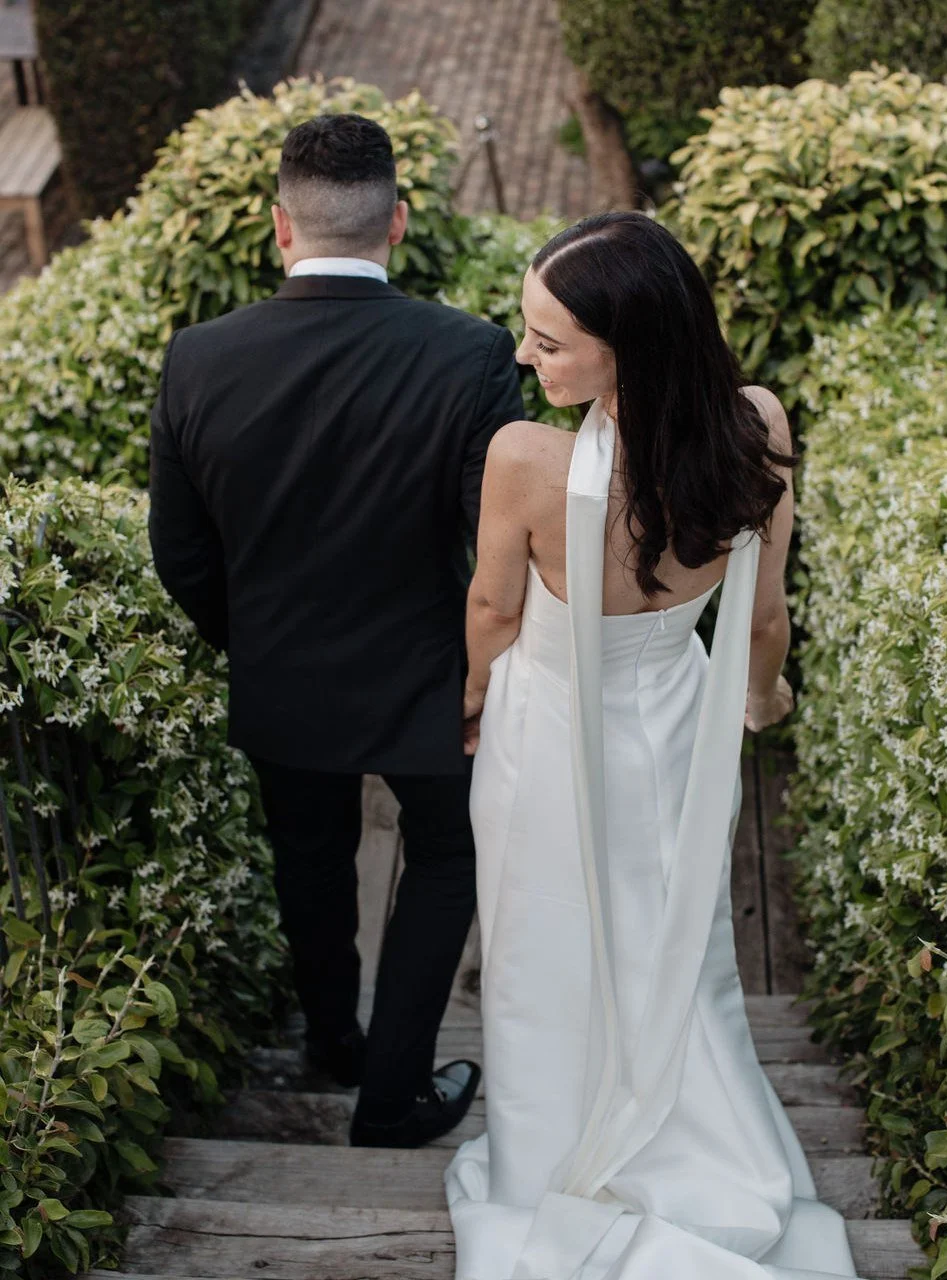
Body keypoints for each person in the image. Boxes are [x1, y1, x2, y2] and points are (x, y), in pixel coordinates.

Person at [446, 213, 861, 1279]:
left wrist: (473, 696)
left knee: (545, 937)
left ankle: (551, 1151)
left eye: (548, 340)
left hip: (548, 725)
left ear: (626, 345)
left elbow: (492, 607)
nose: (521, 354)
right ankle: (690, 1125)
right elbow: (762, 620)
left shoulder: (525, 457)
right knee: (672, 931)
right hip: (678, 722)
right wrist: (757, 705)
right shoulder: (756, 426)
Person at [148, 112, 524, 1149]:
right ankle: (391, 1096)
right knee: (448, 859)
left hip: (282, 679)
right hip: (430, 679)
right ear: (397, 221)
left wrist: (258, 639)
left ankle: (333, 1041)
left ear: (279, 226)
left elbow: (181, 556)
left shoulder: (197, 360)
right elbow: (490, 546)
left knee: (308, 859)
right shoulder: (469, 353)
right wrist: (476, 667)